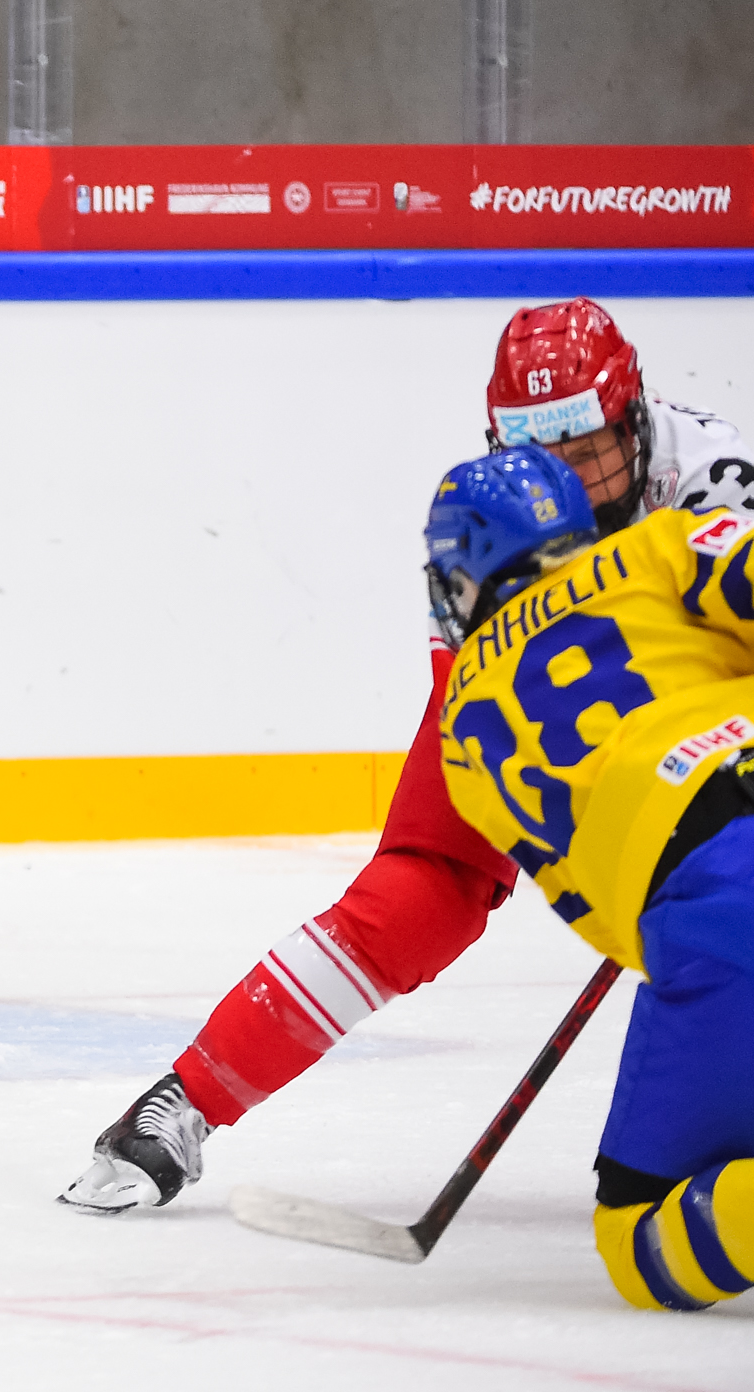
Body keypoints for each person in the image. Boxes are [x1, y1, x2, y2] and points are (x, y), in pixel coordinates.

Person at [62, 297, 754, 1214]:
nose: (569, 485)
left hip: (695, 680)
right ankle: (188, 1099)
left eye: (587, 452)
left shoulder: (713, 480)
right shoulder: (491, 529)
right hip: (576, 675)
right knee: (424, 890)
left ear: (634, 422)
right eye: (539, 455)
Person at [426, 447, 753, 1310]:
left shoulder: (462, 726)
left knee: (638, 1237)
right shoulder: (660, 543)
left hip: (705, 904)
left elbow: (596, 907)